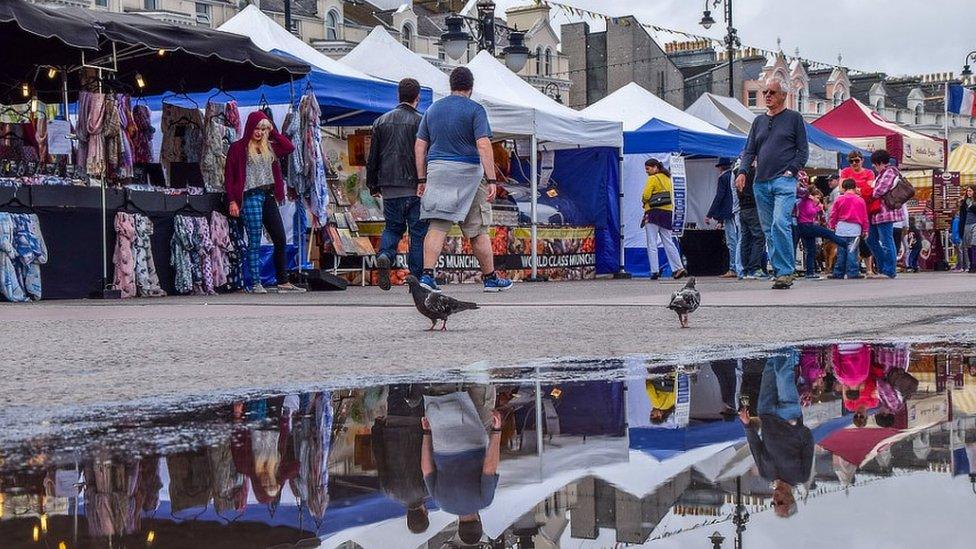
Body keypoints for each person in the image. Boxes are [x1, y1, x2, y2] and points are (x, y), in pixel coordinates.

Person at [414, 67, 513, 293]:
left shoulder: (432, 109)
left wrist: (421, 177)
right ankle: (490, 278)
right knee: (477, 228)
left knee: (437, 225)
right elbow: (483, 145)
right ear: (471, 87)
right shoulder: (476, 110)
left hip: (438, 170)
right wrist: (492, 179)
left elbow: (420, 146)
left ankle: (427, 276)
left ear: (451, 85)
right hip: (468, 173)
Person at [736, 77, 809, 290]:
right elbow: (749, 150)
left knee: (780, 223)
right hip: (761, 182)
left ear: (783, 96)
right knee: (768, 230)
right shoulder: (758, 121)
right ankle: (780, 271)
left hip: (784, 181)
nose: (767, 96)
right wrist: (742, 171)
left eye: (772, 93)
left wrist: (791, 170)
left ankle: (786, 271)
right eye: (765, 92)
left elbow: (803, 150)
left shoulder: (794, 118)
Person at [224, 111, 305, 294]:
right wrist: (232, 201)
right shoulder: (238, 148)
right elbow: (229, 178)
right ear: (250, 128)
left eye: (263, 129)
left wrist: (273, 130)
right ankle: (255, 282)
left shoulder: (269, 146)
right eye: (257, 128)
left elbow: (289, 147)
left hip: (268, 195)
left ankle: (283, 280)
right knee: (254, 240)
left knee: (280, 237)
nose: (259, 132)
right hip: (250, 195)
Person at [367, 79, 428, 290]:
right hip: (416, 186)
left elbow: (372, 157)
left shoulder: (381, 122)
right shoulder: (422, 122)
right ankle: (417, 280)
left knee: (392, 228)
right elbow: (426, 155)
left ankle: (385, 254)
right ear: (417, 98)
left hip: (389, 185)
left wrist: (372, 184)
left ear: (398, 96)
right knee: (418, 233)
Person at [422, 386, 502, 546]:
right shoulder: (441, 504)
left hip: (471, 441)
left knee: (478, 403)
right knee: (440, 397)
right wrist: (426, 434)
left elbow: (489, 468)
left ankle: (475, 380)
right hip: (442, 443)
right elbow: (426, 469)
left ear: (479, 520)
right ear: (459, 525)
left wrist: (497, 431)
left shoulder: (484, 501)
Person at [739, 349, 812, 518]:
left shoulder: (766, 474)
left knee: (770, 369)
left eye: (774, 503)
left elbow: (755, 446)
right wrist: (797, 427)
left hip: (766, 413)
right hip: (789, 415)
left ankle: (779, 345)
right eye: (780, 502)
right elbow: (808, 442)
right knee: (783, 373)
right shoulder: (801, 475)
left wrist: (747, 425)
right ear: (791, 498)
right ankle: (787, 343)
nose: (775, 499)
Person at [372, 384, 429, 534]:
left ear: (425, 513)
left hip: (418, 425)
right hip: (394, 426)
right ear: (408, 516)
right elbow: (380, 456)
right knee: (397, 384)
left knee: (419, 382)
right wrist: (377, 428)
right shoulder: (390, 492)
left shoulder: (427, 489)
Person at [641, 158, 687, 280]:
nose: (647, 171)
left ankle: (654, 271)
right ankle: (678, 268)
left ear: (655, 167)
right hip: (667, 213)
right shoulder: (667, 178)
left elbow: (646, 195)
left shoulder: (652, 178)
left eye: (648, 168)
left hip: (653, 213)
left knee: (652, 242)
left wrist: (644, 200)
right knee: (668, 241)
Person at [866, 150, 906, 279]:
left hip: (885, 212)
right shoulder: (881, 173)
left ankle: (890, 270)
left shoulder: (890, 172)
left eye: (875, 163)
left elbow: (878, 191)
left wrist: (868, 190)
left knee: (886, 240)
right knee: (871, 239)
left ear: (880, 162)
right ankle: (883, 267)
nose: (873, 166)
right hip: (877, 213)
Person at [793, 185, 845, 278]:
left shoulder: (805, 201)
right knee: (829, 233)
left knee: (811, 250)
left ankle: (810, 272)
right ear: (812, 195)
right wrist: (817, 207)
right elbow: (810, 212)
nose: (818, 200)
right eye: (817, 197)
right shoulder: (806, 201)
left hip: (804, 226)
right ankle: (846, 244)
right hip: (806, 225)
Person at [706, 157, 741, 278]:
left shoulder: (722, 178)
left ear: (720, 167)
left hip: (728, 213)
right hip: (737, 211)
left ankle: (733, 268)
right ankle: (739, 266)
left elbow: (719, 197)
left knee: (732, 241)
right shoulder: (734, 175)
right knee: (739, 240)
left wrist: (710, 214)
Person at [828, 179, 869, 279]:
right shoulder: (860, 200)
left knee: (841, 252)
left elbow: (833, 215)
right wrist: (865, 229)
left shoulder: (839, 199)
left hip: (841, 228)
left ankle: (838, 273)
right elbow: (864, 217)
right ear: (855, 187)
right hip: (855, 228)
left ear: (843, 188)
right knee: (852, 252)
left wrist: (832, 226)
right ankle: (853, 272)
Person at [737, 163, 767, 279]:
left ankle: (745, 270)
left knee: (746, 239)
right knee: (759, 237)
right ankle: (754, 269)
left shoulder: (738, 173)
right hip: (753, 208)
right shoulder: (754, 172)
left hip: (742, 208)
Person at [959, 186, 976, 273]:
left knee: (974, 244)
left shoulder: (973, 202)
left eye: (970, 191)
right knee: (968, 245)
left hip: (974, 224)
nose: (968, 192)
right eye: (967, 191)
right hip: (966, 225)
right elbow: (962, 216)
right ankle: (970, 266)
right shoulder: (965, 202)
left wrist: (971, 205)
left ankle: (974, 265)